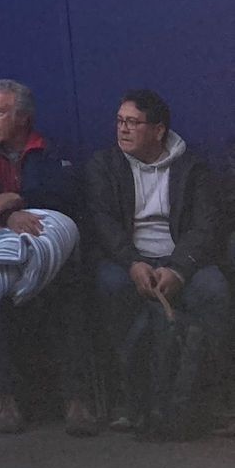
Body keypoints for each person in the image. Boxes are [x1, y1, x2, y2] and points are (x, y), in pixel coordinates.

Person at [0, 77, 96, 437]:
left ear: (23, 118)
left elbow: (66, 195)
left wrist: (18, 199)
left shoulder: (49, 151)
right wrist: (8, 216)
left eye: (0, 111)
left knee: (69, 286)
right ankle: (5, 397)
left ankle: (77, 399)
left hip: (46, 250)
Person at [85, 89, 228, 432]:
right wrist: (133, 263)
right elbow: (103, 223)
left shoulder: (193, 168)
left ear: (159, 130)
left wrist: (179, 269)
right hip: (127, 259)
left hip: (180, 259)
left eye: (133, 122)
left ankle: (215, 398)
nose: (123, 129)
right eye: (120, 121)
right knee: (111, 285)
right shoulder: (104, 166)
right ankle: (129, 398)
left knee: (214, 289)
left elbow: (205, 226)